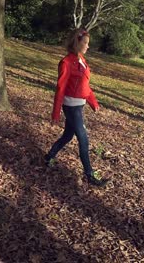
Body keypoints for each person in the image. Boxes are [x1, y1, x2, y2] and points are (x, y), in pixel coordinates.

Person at [45, 28, 109, 187]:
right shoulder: (66, 62)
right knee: (83, 139)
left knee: (68, 135)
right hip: (71, 106)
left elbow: (85, 85)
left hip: (79, 105)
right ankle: (90, 175)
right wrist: (56, 114)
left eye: (88, 43)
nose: (88, 46)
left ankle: (49, 156)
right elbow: (60, 88)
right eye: (85, 43)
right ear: (77, 42)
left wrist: (93, 102)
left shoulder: (82, 60)